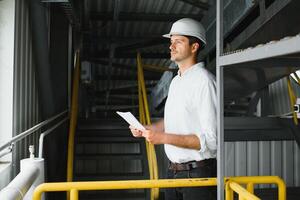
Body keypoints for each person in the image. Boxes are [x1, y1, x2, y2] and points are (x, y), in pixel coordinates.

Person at [130, 18, 217, 200]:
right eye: (171, 42)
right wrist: (149, 128)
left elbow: (211, 140)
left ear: (194, 47)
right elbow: (175, 121)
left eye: (178, 41)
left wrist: (163, 138)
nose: (171, 46)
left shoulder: (204, 81)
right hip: (173, 173)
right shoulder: (176, 81)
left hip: (198, 176)